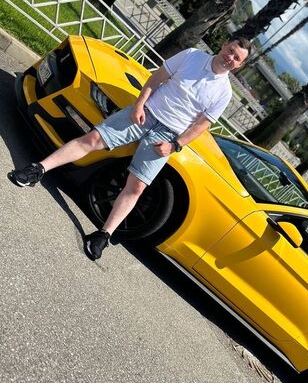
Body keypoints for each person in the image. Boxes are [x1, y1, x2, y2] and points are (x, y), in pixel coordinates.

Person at [8, 38, 250, 260]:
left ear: (239, 65)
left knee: (136, 187)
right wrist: (139, 105)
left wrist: (175, 145)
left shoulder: (224, 92)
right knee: (92, 140)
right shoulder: (192, 55)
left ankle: (103, 235)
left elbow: (201, 126)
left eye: (237, 58)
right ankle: (37, 170)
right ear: (224, 45)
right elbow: (157, 78)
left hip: (167, 136)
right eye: (230, 51)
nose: (230, 58)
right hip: (145, 114)